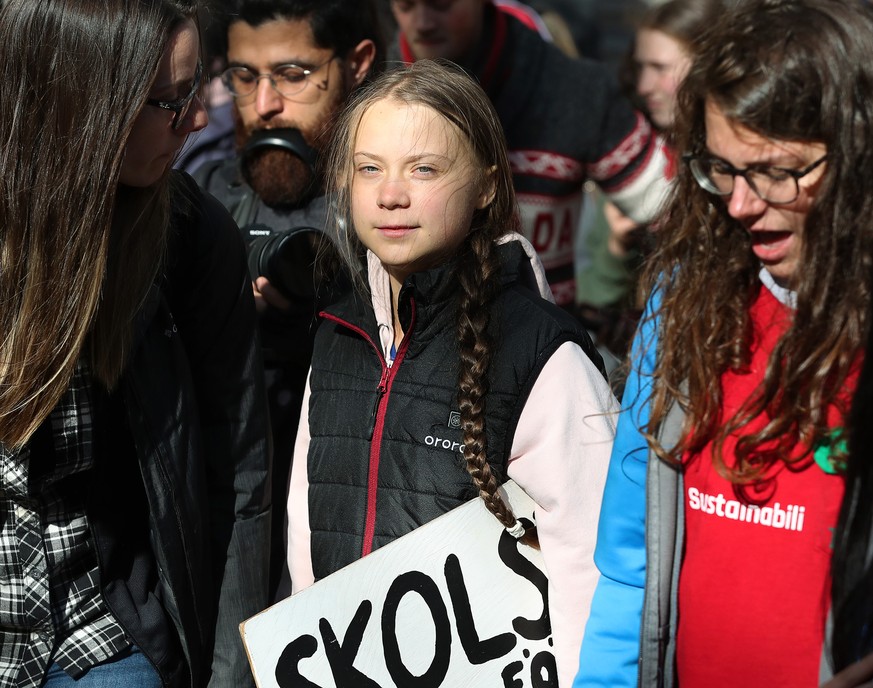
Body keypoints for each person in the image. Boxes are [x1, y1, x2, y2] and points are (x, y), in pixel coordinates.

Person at [286, 59, 618, 686]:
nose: (390, 194)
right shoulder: (337, 335)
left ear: (488, 185)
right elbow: (307, 533)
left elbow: (589, 564)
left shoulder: (543, 353)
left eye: (425, 169)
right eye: (369, 168)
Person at [574, 0, 873, 685]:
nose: (738, 204)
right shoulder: (687, 302)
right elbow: (629, 560)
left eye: (775, 171)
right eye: (722, 169)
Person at [0, 1, 271, 686]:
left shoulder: (188, 237)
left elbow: (238, 471)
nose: (199, 123)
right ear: (79, 97)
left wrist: (229, 674)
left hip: (101, 630)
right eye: (170, 103)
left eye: (197, 94)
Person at [194, 0, 383, 596]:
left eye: (294, 75)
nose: (265, 104)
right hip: (219, 537)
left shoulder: (394, 207)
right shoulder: (203, 199)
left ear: (356, 64)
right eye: (244, 78)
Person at [388, 0, 671, 308]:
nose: (422, 21)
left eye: (440, 5)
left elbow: (674, 208)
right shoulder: (368, 89)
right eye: (405, 5)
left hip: (546, 342)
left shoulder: (574, 90)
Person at [576, 0, 722, 367]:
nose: (644, 85)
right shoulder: (628, 160)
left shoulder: (730, 163)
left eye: (660, 68)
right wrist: (615, 247)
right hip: (635, 362)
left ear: (708, 64)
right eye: (639, 67)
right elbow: (593, 300)